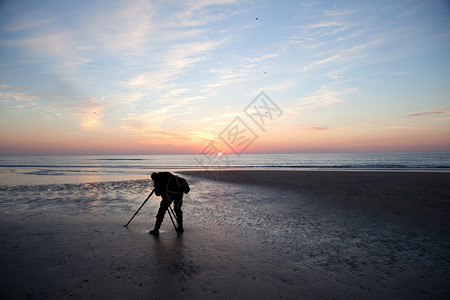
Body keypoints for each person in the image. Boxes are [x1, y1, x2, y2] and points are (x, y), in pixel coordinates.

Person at [149, 172, 190, 236]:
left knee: (161, 211)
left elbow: (157, 193)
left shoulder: (158, 179)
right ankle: (180, 227)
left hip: (168, 196)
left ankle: (156, 229)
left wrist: (157, 188)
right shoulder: (168, 176)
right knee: (178, 210)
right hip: (179, 195)